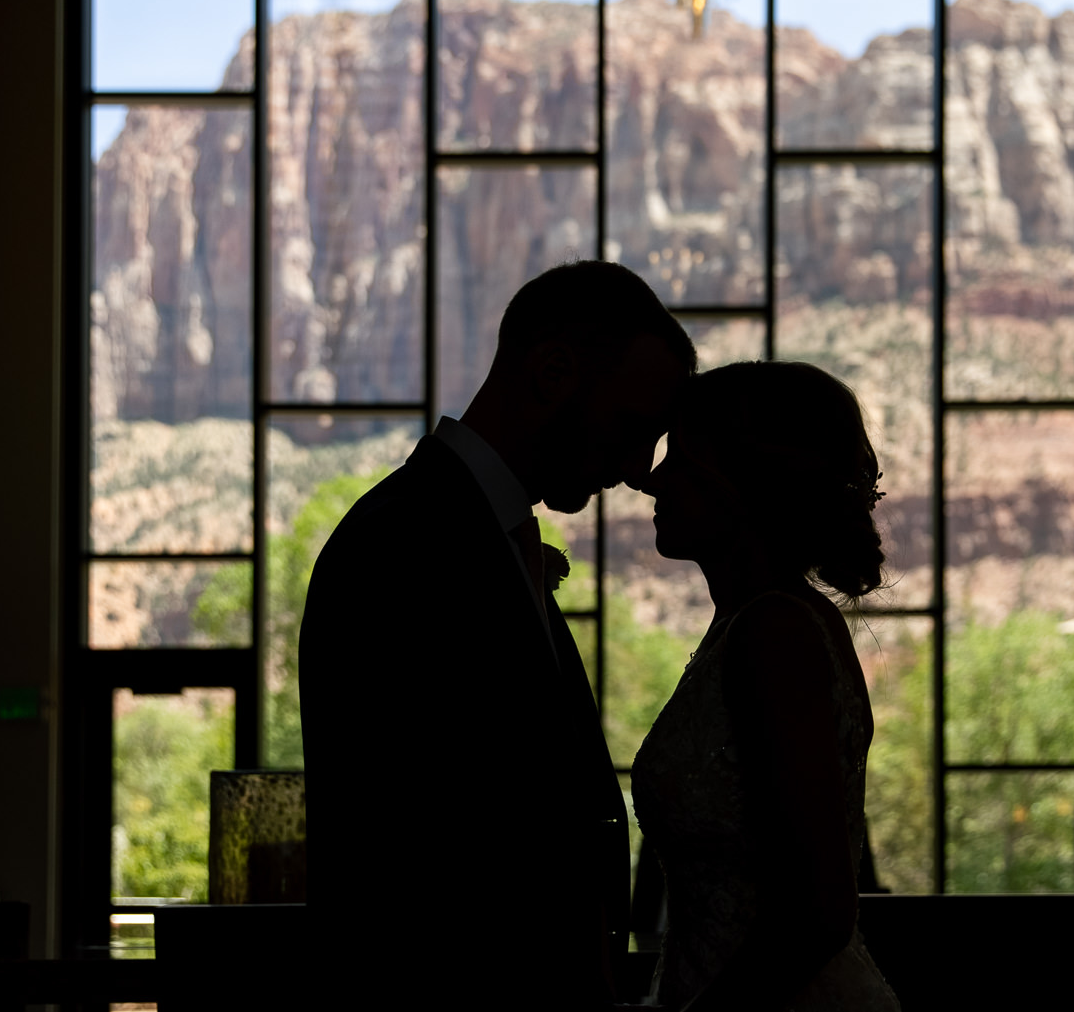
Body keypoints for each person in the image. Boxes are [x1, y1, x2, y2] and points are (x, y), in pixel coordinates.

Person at [300, 261, 695, 1008]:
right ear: (551, 371)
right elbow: (418, 840)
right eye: (635, 428)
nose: (643, 468)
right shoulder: (404, 545)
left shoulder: (478, 534)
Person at [634, 361, 901, 1011]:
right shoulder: (755, 623)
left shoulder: (774, 634)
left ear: (747, 487)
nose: (653, 479)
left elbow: (818, 911)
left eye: (685, 463)